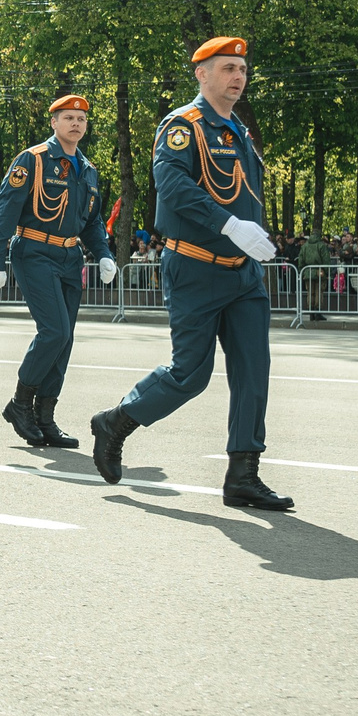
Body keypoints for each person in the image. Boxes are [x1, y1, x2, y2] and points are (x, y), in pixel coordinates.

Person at [90, 42, 289, 512]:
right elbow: (174, 187)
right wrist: (231, 226)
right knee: (190, 374)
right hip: (195, 266)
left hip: (243, 275)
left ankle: (243, 474)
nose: (238, 76)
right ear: (202, 74)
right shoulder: (184, 127)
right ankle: (117, 420)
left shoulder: (239, 130)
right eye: (227, 68)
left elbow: (246, 197)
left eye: (242, 68)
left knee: (253, 372)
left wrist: (255, 234)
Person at [0, 94, 111, 448]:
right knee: (53, 331)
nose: (76, 124)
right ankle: (20, 403)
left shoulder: (88, 169)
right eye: (68, 118)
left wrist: (104, 253)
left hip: (71, 258)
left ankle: (45, 416)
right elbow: (5, 210)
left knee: (65, 340)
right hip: (35, 252)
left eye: (81, 119)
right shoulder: (33, 160)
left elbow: (92, 219)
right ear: (53, 122)